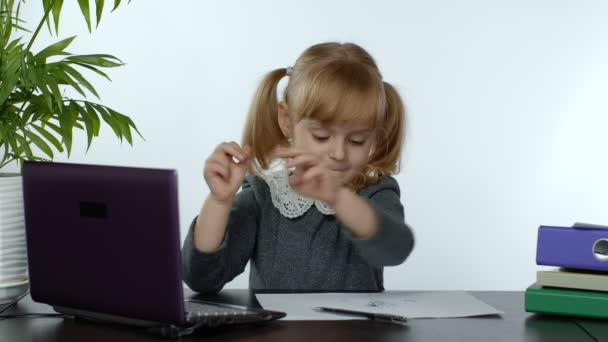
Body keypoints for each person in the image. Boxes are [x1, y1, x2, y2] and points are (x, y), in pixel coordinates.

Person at [182, 42, 415, 292]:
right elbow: (201, 279)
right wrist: (219, 202)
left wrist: (337, 198)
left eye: (357, 140)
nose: (338, 153)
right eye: (321, 136)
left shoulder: (375, 192)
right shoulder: (264, 196)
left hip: (356, 332)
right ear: (286, 120)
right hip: (278, 331)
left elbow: (395, 250)